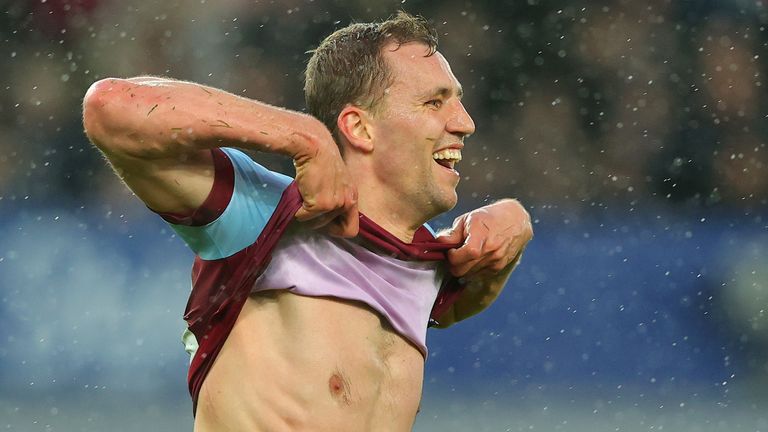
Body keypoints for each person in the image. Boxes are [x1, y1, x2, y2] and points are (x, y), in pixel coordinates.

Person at [82, 11, 532, 432]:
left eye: (457, 102)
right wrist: (305, 137)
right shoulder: (267, 216)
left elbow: (461, 301)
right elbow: (112, 106)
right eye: (434, 103)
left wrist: (515, 223)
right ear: (358, 128)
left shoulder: (424, 263)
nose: (465, 122)